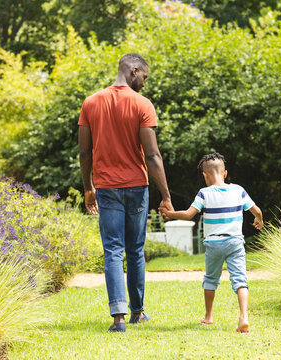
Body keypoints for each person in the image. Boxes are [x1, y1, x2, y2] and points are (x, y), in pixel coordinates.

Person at [78, 53, 173, 332]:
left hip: (106, 188)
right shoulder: (142, 104)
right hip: (136, 187)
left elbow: (85, 151)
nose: (144, 83)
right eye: (144, 76)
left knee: (112, 250)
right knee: (134, 250)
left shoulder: (91, 102)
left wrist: (88, 188)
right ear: (134, 71)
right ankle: (137, 312)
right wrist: (165, 195)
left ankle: (118, 318)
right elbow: (153, 155)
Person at [160, 152, 263, 333]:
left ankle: (208, 317)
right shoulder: (238, 190)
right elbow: (257, 210)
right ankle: (243, 317)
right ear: (224, 173)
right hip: (235, 243)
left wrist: (170, 214)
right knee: (240, 280)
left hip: (214, 244)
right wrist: (258, 219)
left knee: (210, 279)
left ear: (205, 175)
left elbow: (188, 214)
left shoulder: (204, 193)